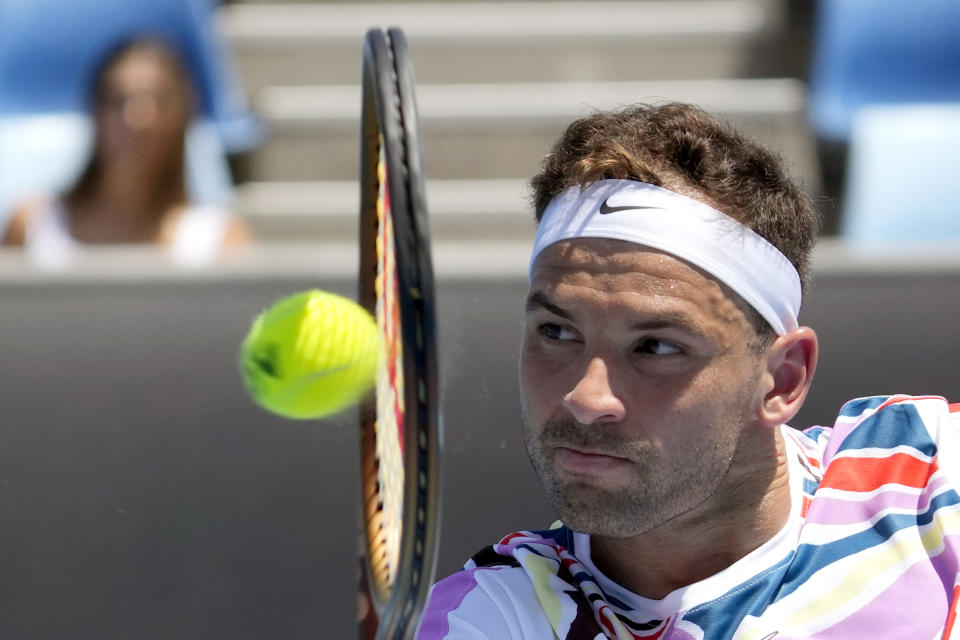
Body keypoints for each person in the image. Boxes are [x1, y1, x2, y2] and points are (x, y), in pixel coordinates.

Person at [417, 103, 960, 639]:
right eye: (557, 333)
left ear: (782, 379)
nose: (587, 396)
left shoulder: (932, 471)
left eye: (655, 346)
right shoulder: (490, 616)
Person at [1, 38, 251, 266]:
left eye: (158, 101)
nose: (137, 118)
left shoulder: (219, 237)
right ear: (95, 114)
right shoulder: (33, 226)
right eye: (119, 100)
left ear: (183, 118)